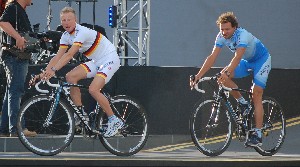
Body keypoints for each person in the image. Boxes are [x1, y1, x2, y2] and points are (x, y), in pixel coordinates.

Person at [32, 7, 123, 138]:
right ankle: (81, 114)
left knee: (93, 89)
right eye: (63, 20)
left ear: (75, 20)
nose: (66, 22)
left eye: (69, 19)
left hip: (110, 59)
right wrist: (43, 74)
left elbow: (69, 55)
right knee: (70, 77)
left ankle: (114, 120)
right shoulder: (65, 36)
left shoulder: (82, 32)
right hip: (96, 61)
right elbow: (57, 57)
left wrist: (53, 70)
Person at [190, 12, 271, 147]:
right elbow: (212, 57)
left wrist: (227, 72)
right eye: (222, 29)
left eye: (227, 29)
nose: (224, 32)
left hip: (261, 60)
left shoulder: (242, 35)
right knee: (222, 78)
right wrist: (198, 76)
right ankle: (243, 102)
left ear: (235, 28)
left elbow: (237, 57)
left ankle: (258, 134)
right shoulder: (221, 36)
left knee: (256, 93)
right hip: (246, 61)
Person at [0, 0, 37, 137]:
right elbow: (3, 22)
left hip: (16, 56)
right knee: (16, 91)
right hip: (15, 56)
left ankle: (4, 129)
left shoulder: (18, 9)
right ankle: (16, 129)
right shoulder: (13, 7)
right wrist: (18, 38)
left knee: (11, 92)